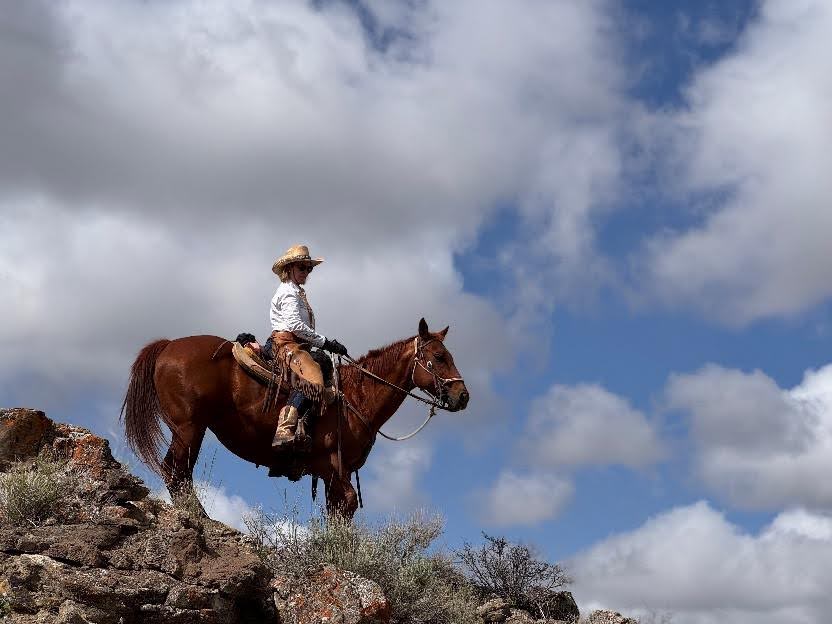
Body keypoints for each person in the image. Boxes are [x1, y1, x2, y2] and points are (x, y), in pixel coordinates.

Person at [267, 244, 349, 450]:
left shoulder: (298, 292)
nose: (306, 272)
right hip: (284, 344)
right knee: (313, 376)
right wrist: (325, 342)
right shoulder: (288, 292)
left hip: (298, 344)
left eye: (308, 268)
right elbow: (295, 326)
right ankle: (284, 429)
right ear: (290, 269)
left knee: (323, 361)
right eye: (302, 268)